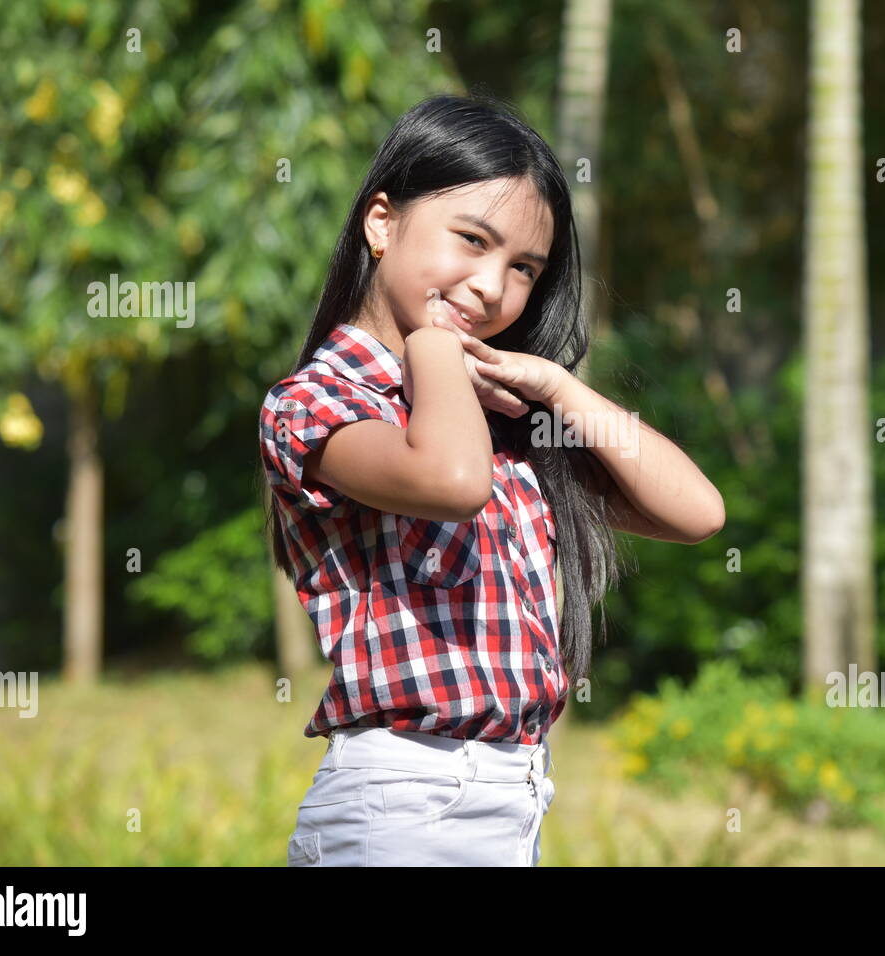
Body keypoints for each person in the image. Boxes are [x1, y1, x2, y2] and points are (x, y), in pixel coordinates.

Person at [258, 92, 724, 866]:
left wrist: (560, 388)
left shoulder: (506, 424)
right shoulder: (316, 401)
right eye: (471, 240)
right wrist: (434, 347)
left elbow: (697, 511)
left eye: (523, 270)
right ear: (381, 222)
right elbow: (450, 481)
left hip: (515, 803)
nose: (489, 285)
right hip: (404, 804)